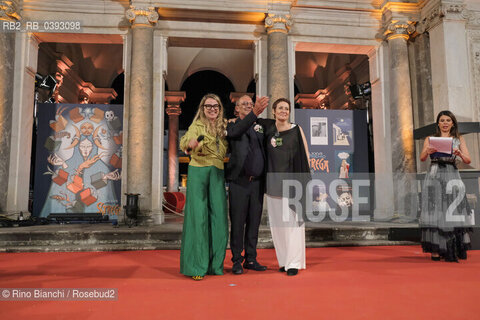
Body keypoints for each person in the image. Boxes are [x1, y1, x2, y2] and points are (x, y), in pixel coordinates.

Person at [257, 98, 310, 276]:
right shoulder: (268, 129)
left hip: (293, 183)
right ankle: (284, 260)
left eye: (286, 108)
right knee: (278, 225)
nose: (283, 111)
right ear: (273, 111)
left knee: (293, 224)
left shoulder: (296, 130)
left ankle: (294, 262)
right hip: (273, 184)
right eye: (280, 108)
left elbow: (306, 155)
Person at [179, 93, 229, 280]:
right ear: (202, 109)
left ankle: (216, 265)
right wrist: (190, 145)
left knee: (219, 219)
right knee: (198, 218)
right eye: (208, 106)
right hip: (198, 170)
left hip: (217, 171)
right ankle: (197, 267)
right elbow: (186, 143)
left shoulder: (224, 125)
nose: (212, 109)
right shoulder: (196, 125)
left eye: (215, 106)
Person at [419, 110, 474, 262]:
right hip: (434, 174)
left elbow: (468, 160)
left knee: (453, 210)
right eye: (442, 120)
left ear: (452, 123)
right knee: (435, 209)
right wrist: (428, 151)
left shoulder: (458, 139)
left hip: (452, 174)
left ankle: (453, 247)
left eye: (447, 120)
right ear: (438, 123)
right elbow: (422, 158)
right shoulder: (430, 138)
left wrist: (460, 154)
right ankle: (436, 249)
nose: (444, 123)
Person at [225, 95, 269, 275]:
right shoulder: (232, 125)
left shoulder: (260, 126)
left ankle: (251, 258)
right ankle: (236, 260)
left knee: (254, 223)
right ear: (236, 109)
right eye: (244, 104)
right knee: (237, 223)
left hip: (257, 184)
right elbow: (235, 133)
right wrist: (254, 113)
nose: (249, 106)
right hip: (239, 183)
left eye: (251, 104)